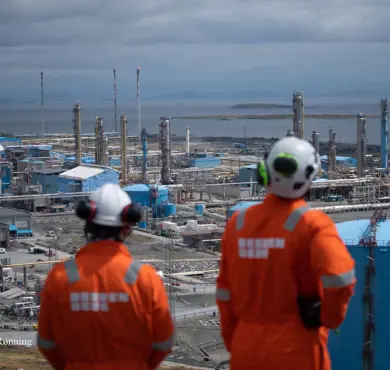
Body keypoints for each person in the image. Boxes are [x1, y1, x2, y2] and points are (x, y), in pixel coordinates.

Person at [216, 137, 356, 370]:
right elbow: (341, 277)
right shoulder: (313, 225)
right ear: (310, 176)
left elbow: (224, 293)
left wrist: (238, 339)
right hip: (296, 348)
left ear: (265, 172)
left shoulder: (238, 224)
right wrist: (328, 317)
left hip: (246, 347)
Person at [37, 183, 175, 370]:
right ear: (127, 228)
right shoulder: (145, 279)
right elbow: (164, 342)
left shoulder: (60, 277)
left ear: (88, 224)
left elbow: (46, 342)